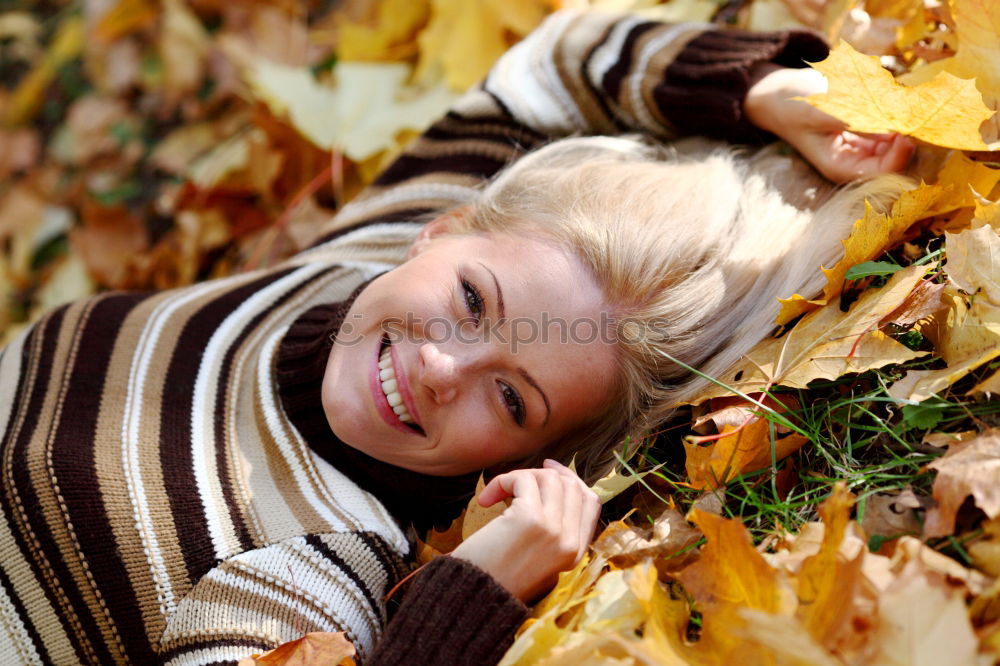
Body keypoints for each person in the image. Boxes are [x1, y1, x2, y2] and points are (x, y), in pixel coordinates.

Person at [0, 9, 913, 666]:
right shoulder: (368, 248)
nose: (442, 365)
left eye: (513, 398)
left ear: (539, 452)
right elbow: (556, 62)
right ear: (443, 228)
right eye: (473, 299)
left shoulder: (316, 561)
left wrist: (472, 590)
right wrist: (762, 91)